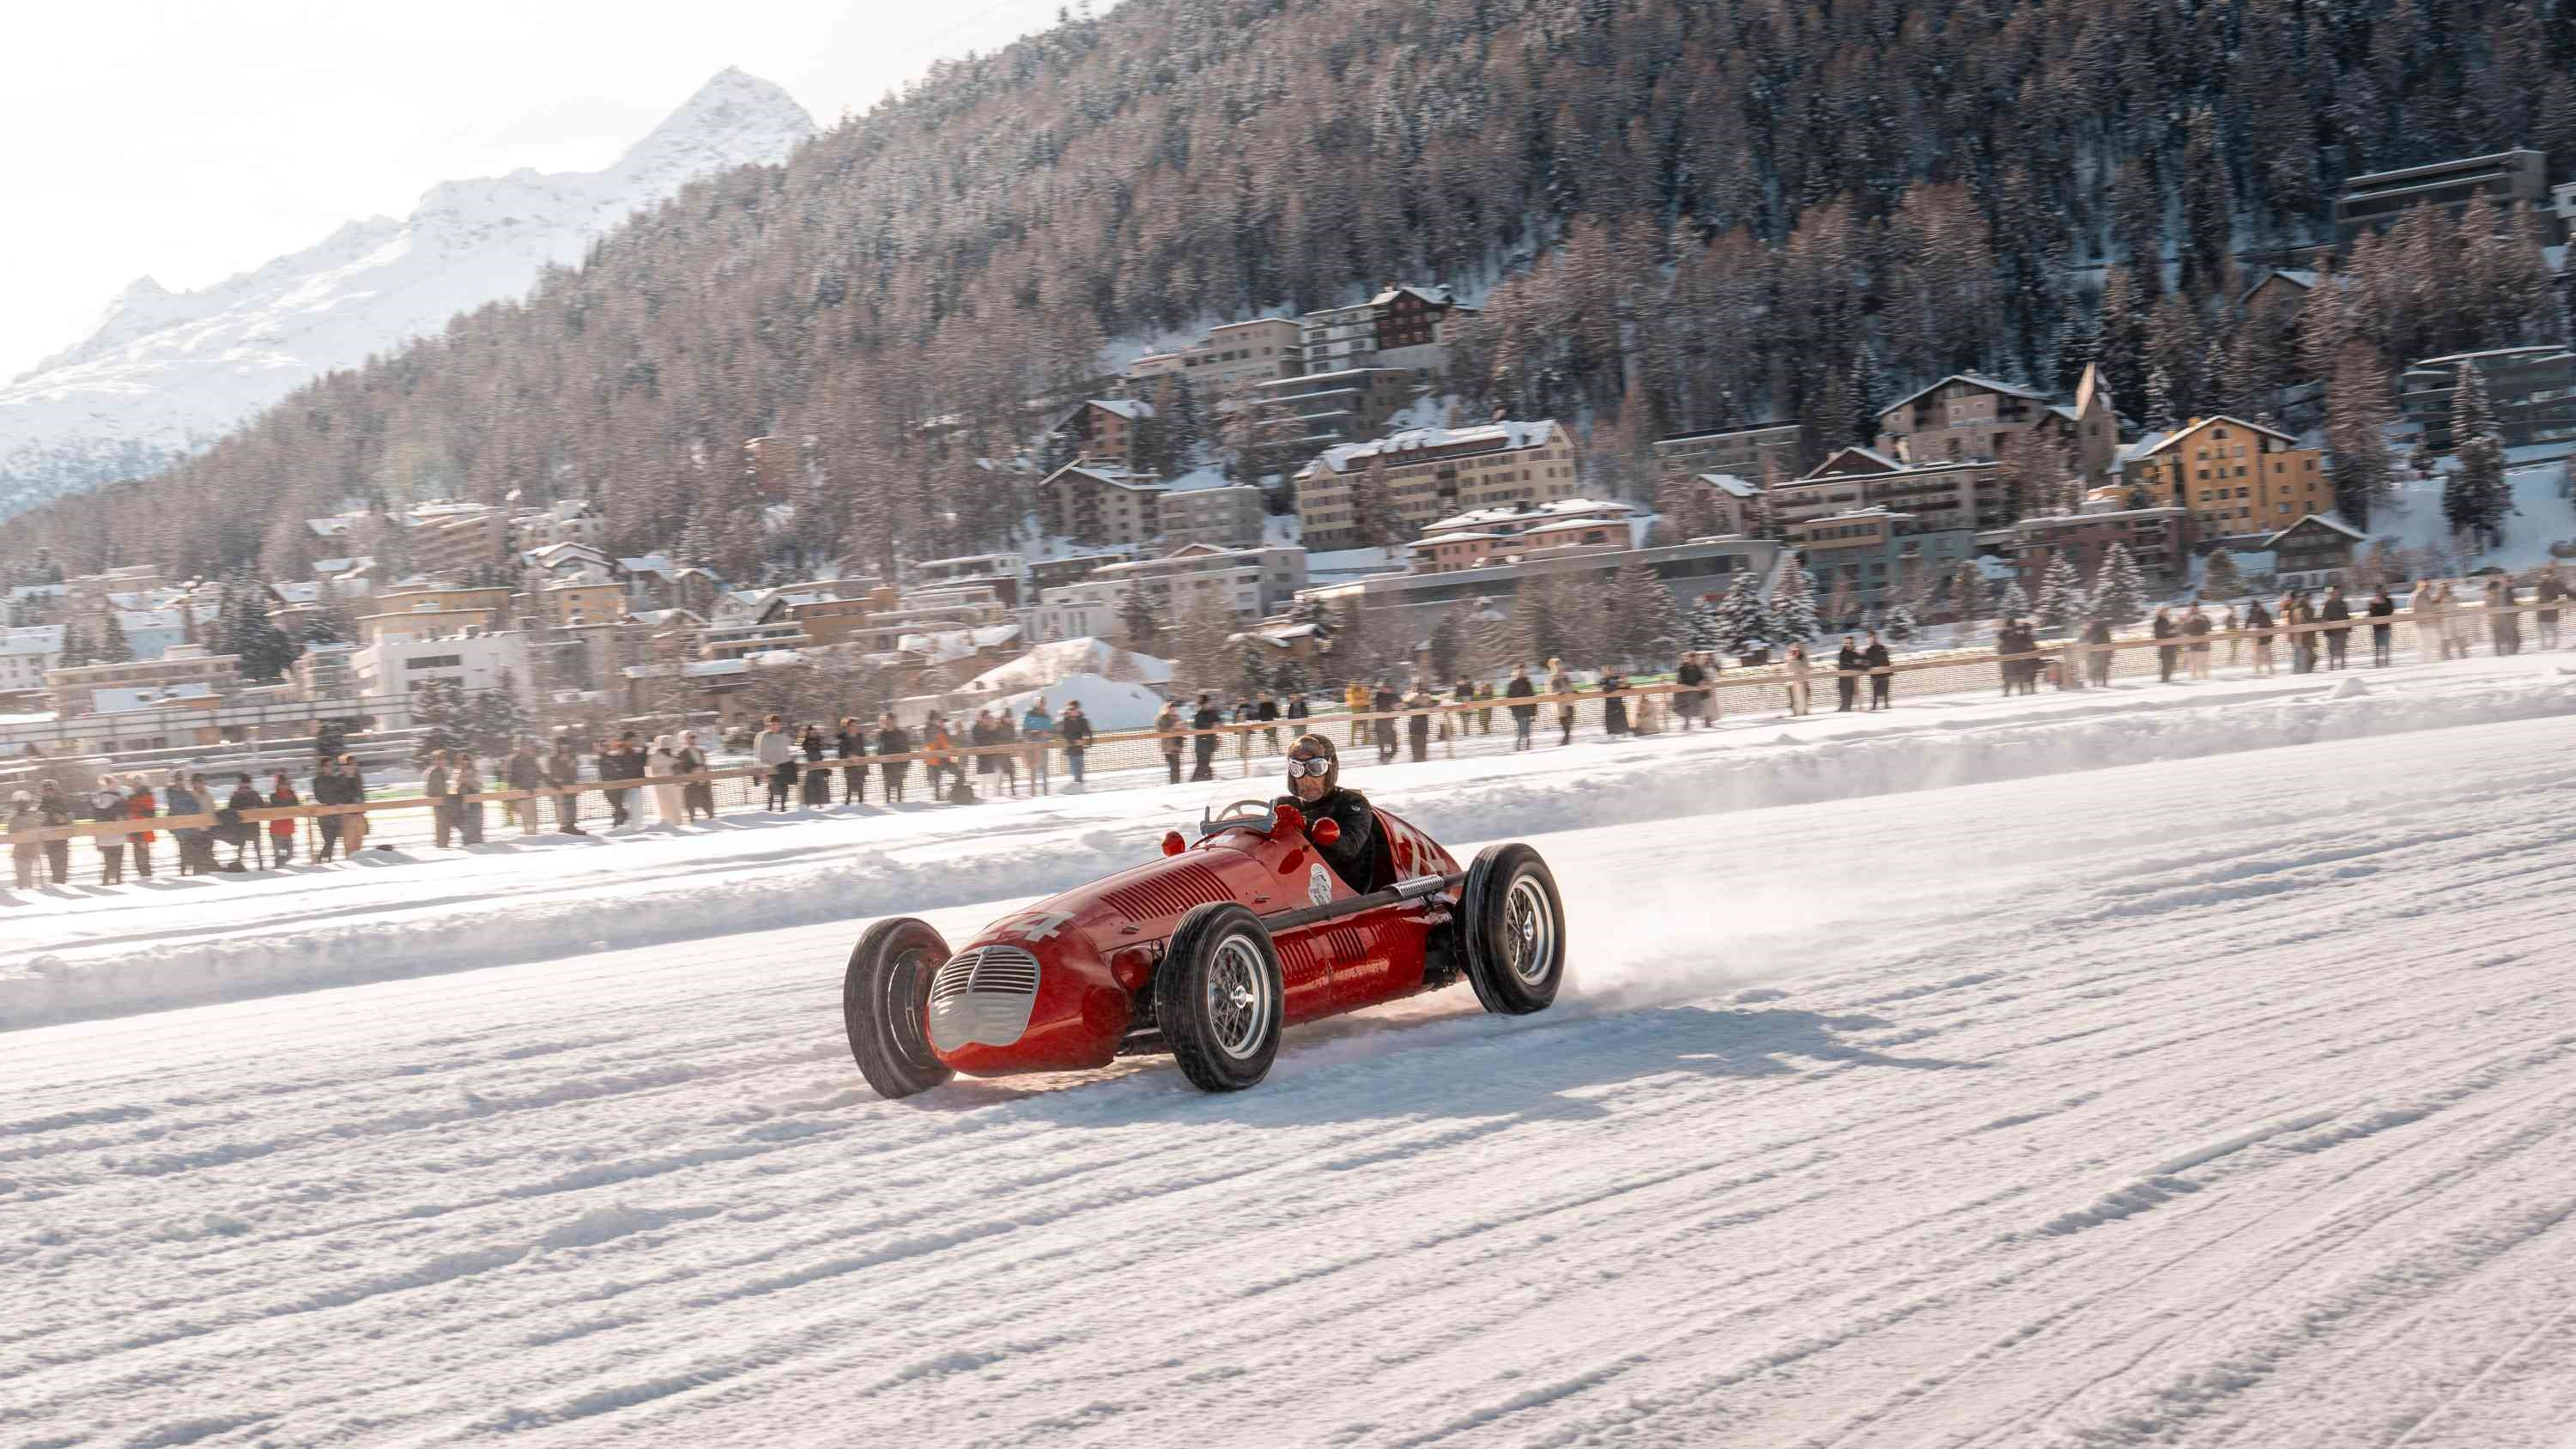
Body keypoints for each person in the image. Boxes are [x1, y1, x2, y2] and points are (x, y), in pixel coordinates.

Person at [1278, 733, 1377, 893]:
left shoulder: (1352, 803)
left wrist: (1305, 824)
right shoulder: (1285, 805)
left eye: (1316, 768)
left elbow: (1350, 847)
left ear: (1330, 770)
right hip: (1290, 887)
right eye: (1297, 769)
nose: (1306, 779)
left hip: (1340, 893)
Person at [221, 773, 264, 870]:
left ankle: (260, 866)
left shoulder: (254, 794)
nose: (245, 786)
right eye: (243, 784)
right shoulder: (237, 795)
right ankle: (239, 865)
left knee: (257, 848)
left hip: (253, 826)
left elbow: (262, 806)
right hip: (242, 827)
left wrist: (255, 808)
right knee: (242, 848)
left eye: (246, 784)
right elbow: (231, 809)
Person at [35, 779, 75, 884]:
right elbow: (38, 821)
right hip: (49, 842)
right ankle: (57, 886)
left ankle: (61, 884)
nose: (49, 792)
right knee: (54, 868)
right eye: (46, 790)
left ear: (55, 790)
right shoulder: (42, 805)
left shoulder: (62, 803)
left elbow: (70, 819)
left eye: (51, 790)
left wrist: (63, 819)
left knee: (61, 869)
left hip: (61, 840)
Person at [90, 779, 129, 884]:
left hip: (103, 837)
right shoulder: (120, 800)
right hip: (118, 836)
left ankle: (106, 884)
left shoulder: (97, 801)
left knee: (108, 864)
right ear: (111, 785)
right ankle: (118, 883)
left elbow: (96, 821)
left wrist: (96, 840)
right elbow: (125, 816)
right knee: (118, 865)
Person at [546, 734, 586, 834]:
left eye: (567, 745)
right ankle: (564, 827)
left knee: (572, 806)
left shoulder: (572, 757)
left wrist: (571, 765)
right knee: (562, 807)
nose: (565, 747)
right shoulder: (553, 759)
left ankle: (571, 826)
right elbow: (555, 774)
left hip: (571, 786)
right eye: (563, 745)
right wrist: (565, 765)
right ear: (558, 746)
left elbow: (575, 774)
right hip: (559, 788)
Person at [755, 714, 796, 810]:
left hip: (784, 766)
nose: (775, 726)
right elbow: (760, 754)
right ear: (769, 725)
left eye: (777, 724)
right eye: (773, 724)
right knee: (772, 789)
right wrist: (763, 770)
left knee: (784, 789)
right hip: (770, 767)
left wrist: (792, 756)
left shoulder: (784, 736)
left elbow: (789, 749)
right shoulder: (764, 737)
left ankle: (783, 808)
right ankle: (770, 808)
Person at [506, 741, 543, 835]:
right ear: (522, 748)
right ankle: (528, 834)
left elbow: (538, 773)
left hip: (532, 791)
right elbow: (513, 777)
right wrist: (513, 791)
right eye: (526, 746)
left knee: (533, 815)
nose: (528, 748)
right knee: (526, 816)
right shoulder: (516, 760)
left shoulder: (532, 759)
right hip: (522, 792)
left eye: (529, 746)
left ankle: (534, 833)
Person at [647, 736, 685, 825]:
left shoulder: (673, 756)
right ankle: (667, 825)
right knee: (664, 807)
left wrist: (678, 767)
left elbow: (678, 769)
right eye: (667, 747)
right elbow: (651, 772)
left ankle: (678, 824)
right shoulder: (654, 757)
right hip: (661, 787)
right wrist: (669, 768)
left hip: (673, 786)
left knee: (676, 806)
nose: (669, 749)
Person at [677, 731, 714, 821]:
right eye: (691, 737)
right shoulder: (682, 753)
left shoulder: (701, 751)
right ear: (685, 739)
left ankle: (711, 817)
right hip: (691, 780)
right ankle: (692, 819)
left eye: (694, 737)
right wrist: (692, 771)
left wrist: (704, 771)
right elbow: (681, 767)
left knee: (706, 799)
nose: (693, 739)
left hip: (703, 779)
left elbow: (705, 764)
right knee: (691, 801)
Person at [336, 756, 370, 853]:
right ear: (346, 766)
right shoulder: (340, 778)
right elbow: (339, 795)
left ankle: (357, 859)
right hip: (347, 815)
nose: (354, 766)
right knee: (348, 843)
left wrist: (361, 801)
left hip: (359, 813)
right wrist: (349, 778)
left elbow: (361, 793)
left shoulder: (358, 777)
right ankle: (350, 860)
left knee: (359, 842)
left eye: (355, 764)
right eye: (351, 764)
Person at [125, 774, 157, 877]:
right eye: (133, 784)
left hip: (143, 831)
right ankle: (145, 878)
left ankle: (146, 878)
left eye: (137, 783)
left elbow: (151, 813)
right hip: (134, 831)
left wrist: (136, 813)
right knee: (138, 860)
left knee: (143, 860)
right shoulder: (131, 798)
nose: (134, 786)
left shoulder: (147, 796)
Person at [876, 712, 912, 802]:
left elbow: (906, 749)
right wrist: (882, 763)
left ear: (895, 720)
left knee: (899, 788)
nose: (891, 721)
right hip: (887, 766)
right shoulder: (882, 734)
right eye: (889, 719)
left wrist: (906, 766)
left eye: (892, 719)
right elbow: (880, 750)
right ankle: (888, 803)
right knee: (888, 789)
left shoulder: (901, 733)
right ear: (886, 721)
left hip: (899, 766)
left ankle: (900, 803)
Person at [424, 749, 457, 848]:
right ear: (434, 760)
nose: (441, 761)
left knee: (447, 824)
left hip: (447, 801)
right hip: (439, 802)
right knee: (442, 824)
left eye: (443, 759)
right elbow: (429, 790)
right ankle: (442, 845)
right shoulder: (434, 772)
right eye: (438, 759)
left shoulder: (445, 771)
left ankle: (444, 844)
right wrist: (436, 799)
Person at [1020, 700, 1053, 796]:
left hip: (1044, 746)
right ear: (1036, 703)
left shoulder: (1046, 716)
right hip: (1033, 747)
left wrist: (1049, 734)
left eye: (1043, 703)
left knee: (1044, 772)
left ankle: (1046, 794)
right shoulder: (1029, 714)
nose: (1042, 705)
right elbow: (1024, 731)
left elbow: (1052, 731)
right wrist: (1038, 733)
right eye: (1040, 703)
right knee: (1033, 772)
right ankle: (1033, 794)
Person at [266, 772, 300, 865]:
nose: (283, 786)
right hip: (276, 831)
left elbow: (296, 806)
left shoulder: (292, 795)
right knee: (278, 856)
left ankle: (280, 864)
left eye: (284, 783)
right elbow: (279, 805)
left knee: (289, 855)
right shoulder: (274, 796)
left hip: (288, 830)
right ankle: (278, 866)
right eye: (281, 784)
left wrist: (291, 793)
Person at [7, 791, 37, 889]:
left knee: (28, 876)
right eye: (21, 804)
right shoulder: (14, 818)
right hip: (20, 851)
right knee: (21, 877)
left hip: (28, 850)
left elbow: (36, 831)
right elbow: (10, 832)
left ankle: (29, 891)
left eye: (24, 804)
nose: (22, 806)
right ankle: (23, 889)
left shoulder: (31, 817)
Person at [1190, 693, 1223, 781]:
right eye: (1208, 703)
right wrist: (1212, 726)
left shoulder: (1213, 713)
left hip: (1210, 743)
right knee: (1202, 764)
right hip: (1201, 743)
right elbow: (1200, 727)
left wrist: (1219, 724)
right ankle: (1196, 780)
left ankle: (1207, 779)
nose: (1210, 704)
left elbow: (1219, 722)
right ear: (1203, 704)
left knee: (1205, 763)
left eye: (1210, 703)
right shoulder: (1199, 715)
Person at [2412, 579, 2446, 664]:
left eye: (2428, 585)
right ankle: (2426, 660)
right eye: (2427, 586)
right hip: (2424, 623)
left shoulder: (2424, 595)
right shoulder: (2420, 595)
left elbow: (2433, 604)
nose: (2428, 587)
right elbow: (2429, 607)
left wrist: (2440, 593)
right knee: (2426, 643)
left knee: (2430, 643)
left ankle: (2429, 660)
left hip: (2428, 623)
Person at [454, 756, 486, 846]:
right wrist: (460, 782)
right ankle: (467, 844)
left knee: (477, 828)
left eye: (467, 762)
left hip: (476, 805)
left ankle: (478, 843)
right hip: (463, 806)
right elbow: (454, 789)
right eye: (463, 762)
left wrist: (470, 781)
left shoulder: (477, 772)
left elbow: (480, 786)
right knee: (466, 829)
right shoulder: (457, 773)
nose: (465, 764)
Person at [1059, 700, 1092, 787]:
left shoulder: (1082, 720)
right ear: (1068, 709)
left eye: (1075, 708)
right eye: (1071, 709)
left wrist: (1086, 741)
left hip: (1080, 750)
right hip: (1069, 750)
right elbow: (1062, 735)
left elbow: (1088, 732)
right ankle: (1076, 784)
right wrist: (1074, 742)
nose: (1073, 710)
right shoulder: (1064, 720)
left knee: (1080, 769)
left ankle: (1079, 784)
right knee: (1074, 770)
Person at [837, 716, 869, 804]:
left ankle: (861, 805)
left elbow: (863, 753)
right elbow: (841, 754)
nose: (854, 728)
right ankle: (847, 807)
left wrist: (865, 767)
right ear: (848, 727)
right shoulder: (844, 740)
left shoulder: (860, 739)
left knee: (860, 791)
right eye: (852, 726)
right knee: (849, 791)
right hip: (849, 769)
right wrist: (849, 755)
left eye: (855, 726)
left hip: (860, 768)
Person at [1505, 664, 1537, 749]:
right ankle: (1519, 745)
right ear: (1516, 672)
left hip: (1527, 710)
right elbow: (1509, 698)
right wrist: (1514, 708)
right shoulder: (1512, 684)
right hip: (1518, 710)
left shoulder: (1528, 683)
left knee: (1527, 728)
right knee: (1521, 728)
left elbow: (1532, 696)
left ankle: (1527, 745)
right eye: (1520, 671)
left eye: (1523, 671)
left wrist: (1534, 711)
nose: (1522, 673)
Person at [799, 723, 832, 806]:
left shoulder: (818, 741)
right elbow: (802, 755)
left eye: (813, 732)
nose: (812, 733)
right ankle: (809, 804)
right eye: (810, 732)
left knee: (820, 785)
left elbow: (822, 755)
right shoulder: (804, 743)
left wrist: (823, 766)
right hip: (810, 768)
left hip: (819, 767)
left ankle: (822, 803)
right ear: (808, 733)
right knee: (810, 786)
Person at [2320, 585, 2352, 670]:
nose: (2338, 593)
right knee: (2332, 652)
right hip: (2332, 633)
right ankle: (2332, 668)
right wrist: (2327, 630)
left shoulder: (2343, 603)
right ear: (2333, 592)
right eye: (2337, 591)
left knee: (2342, 651)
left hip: (2342, 631)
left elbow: (2346, 616)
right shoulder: (2328, 604)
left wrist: (2348, 628)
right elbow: (2324, 617)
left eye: (2339, 591)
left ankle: (2342, 668)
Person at [1369, 680, 1399, 764]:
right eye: (1387, 687)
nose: (1389, 689)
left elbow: (1400, 703)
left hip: (1389, 724)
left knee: (1395, 748)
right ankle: (1383, 761)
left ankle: (1387, 758)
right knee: (1382, 747)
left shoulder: (1393, 695)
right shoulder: (1378, 695)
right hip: (1380, 725)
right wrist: (1392, 707)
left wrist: (1401, 706)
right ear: (1382, 688)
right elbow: (1382, 706)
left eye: (1390, 687)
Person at [2367, 585, 2397, 666]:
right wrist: (2376, 603)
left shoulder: (2388, 600)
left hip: (2386, 627)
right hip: (2377, 628)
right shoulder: (2373, 601)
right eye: (2379, 591)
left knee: (2386, 647)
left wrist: (2383, 603)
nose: (2381, 592)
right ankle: (2378, 663)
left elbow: (2390, 611)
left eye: (2382, 590)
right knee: (2378, 647)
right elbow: (2372, 613)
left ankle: (2386, 663)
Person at [1405, 681, 1436, 760]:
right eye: (1420, 689)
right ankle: (1419, 757)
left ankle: (1419, 757)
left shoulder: (1421, 699)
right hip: (1418, 723)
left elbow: (1406, 706)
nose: (1421, 691)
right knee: (1419, 741)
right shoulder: (1420, 699)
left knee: (1420, 741)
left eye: (1422, 689)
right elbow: (1406, 706)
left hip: (1419, 723)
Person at [1674, 653, 1706, 730]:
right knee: (1685, 707)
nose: (1693, 660)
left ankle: (1699, 722)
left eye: (1695, 659)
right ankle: (1687, 723)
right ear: (1689, 659)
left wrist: (1702, 683)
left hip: (1694, 690)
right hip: (1685, 690)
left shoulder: (1697, 668)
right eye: (1692, 659)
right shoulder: (1683, 668)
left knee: (1695, 706)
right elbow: (1681, 680)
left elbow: (1701, 678)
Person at [2246, 596, 2276, 675]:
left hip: (2262, 640)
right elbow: (2271, 626)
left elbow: (2271, 626)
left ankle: (2266, 670)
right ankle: (2262, 671)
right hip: (2260, 641)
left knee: (2263, 656)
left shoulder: (2253, 616)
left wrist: (2270, 637)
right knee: (2262, 656)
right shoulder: (2261, 615)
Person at [1549, 658, 1576, 746]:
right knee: (1564, 722)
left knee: (1569, 721)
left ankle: (1566, 740)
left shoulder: (1566, 676)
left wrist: (1574, 691)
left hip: (1569, 702)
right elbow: (1551, 690)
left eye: (1560, 664)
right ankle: (1566, 740)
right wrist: (1557, 693)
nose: (1559, 666)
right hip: (1560, 704)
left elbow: (1570, 686)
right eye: (1557, 665)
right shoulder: (1553, 678)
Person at [2537, 570, 2566, 650]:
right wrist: (2552, 602)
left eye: (2551, 576)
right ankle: (2543, 649)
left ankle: (2553, 649)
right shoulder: (2541, 586)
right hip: (2543, 616)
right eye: (2547, 576)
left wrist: (2561, 601)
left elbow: (2562, 594)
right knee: (2544, 636)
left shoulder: (2556, 585)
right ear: (2544, 576)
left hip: (2553, 616)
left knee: (2555, 634)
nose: (2550, 578)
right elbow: (2542, 596)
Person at [2183, 603, 2213, 680]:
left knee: (2204, 663)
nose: (2195, 610)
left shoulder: (2203, 617)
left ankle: (2206, 677)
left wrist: (2205, 620)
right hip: (2193, 645)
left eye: (2196, 608)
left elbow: (2209, 628)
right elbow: (2185, 630)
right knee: (2194, 664)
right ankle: (2195, 678)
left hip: (2204, 645)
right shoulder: (2188, 618)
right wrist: (2188, 621)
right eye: (2193, 609)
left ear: (2198, 609)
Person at [1864, 632, 1893, 709]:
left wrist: (1889, 673)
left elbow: (1887, 661)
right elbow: (1866, 662)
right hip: (1875, 674)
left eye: (1875, 637)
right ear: (1869, 639)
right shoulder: (1868, 650)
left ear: (1877, 638)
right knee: (1875, 691)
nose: (1873, 639)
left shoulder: (1882, 648)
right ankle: (1874, 705)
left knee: (1885, 690)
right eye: (1871, 638)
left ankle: (1886, 704)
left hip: (1884, 673)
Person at [2152, 606, 2179, 683]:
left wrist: (2176, 626)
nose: (2167, 613)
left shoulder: (2166, 621)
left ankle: (2167, 679)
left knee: (2171, 663)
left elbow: (2169, 630)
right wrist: (2172, 632)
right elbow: (2161, 634)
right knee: (2166, 664)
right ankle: (2164, 680)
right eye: (2165, 612)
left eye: (2167, 612)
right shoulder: (2158, 622)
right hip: (2165, 647)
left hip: (2171, 646)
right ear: (2161, 612)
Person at [1834, 635, 1863, 711]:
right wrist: (1854, 665)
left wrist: (1857, 664)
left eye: (1850, 643)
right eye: (1846, 643)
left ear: (1852, 643)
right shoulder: (1842, 653)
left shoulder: (1855, 654)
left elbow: (1859, 665)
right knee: (1844, 700)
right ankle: (1842, 711)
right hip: (1843, 679)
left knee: (1849, 702)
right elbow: (1844, 665)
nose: (1848, 645)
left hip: (1852, 680)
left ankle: (1846, 711)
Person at [1784, 643, 1813, 715]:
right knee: (1793, 699)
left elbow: (1806, 668)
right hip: (1792, 682)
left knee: (1805, 696)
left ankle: (1805, 711)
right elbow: (1790, 669)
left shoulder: (1804, 657)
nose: (1796, 652)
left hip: (1803, 680)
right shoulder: (1789, 658)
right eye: (1794, 650)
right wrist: (1794, 659)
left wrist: (1798, 663)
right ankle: (1795, 712)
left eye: (1797, 650)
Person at [1598, 670, 1629, 736]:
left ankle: (1624, 735)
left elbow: (1627, 687)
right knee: (1611, 726)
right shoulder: (1604, 680)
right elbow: (1605, 689)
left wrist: (1624, 682)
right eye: (1608, 670)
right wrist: (1617, 687)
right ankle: (1613, 736)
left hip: (1619, 704)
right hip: (1610, 705)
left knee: (1622, 723)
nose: (1611, 672)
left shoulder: (1617, 678)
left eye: (1612, 670)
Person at [1344, 680, 1372, 746]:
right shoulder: (1349, 691)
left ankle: (1365, 741)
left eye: (1356, 683)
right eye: (1354, 683)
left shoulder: (1363, 690)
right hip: (1357, 711)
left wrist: (1359, 701)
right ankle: (1353, 742)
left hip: (1362, 711)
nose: (1356, 685)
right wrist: (1362, 701)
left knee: (1364, 727)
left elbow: (1368, 701)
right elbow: (1352, 701)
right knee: (1355, 728)